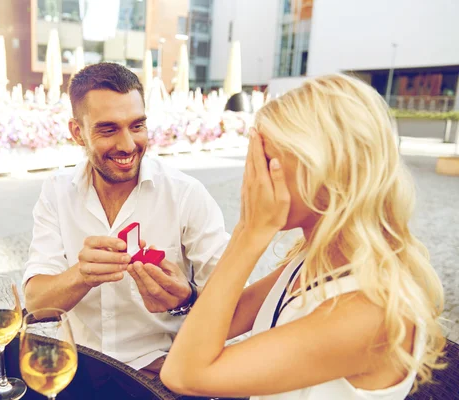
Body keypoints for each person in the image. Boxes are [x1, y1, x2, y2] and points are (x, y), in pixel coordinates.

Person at [160, 74, 446, 399]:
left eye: (266, 162)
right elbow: (229, 317)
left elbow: (183, 373)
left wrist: (249, 233)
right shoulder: (313, 258)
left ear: (326, 170)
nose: (253, 178)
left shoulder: (366, 313)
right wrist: (185, 297)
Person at [22, 62, 230, 376]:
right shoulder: (57, 192)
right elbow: (36, 302)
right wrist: (82, 275)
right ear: (78, 132)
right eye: (108, 129)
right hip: (81, 366)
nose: (128, 145)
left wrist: (187, 297)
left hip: (160, 368)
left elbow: (232, 297)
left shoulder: (186, 194)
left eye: (137, 126)